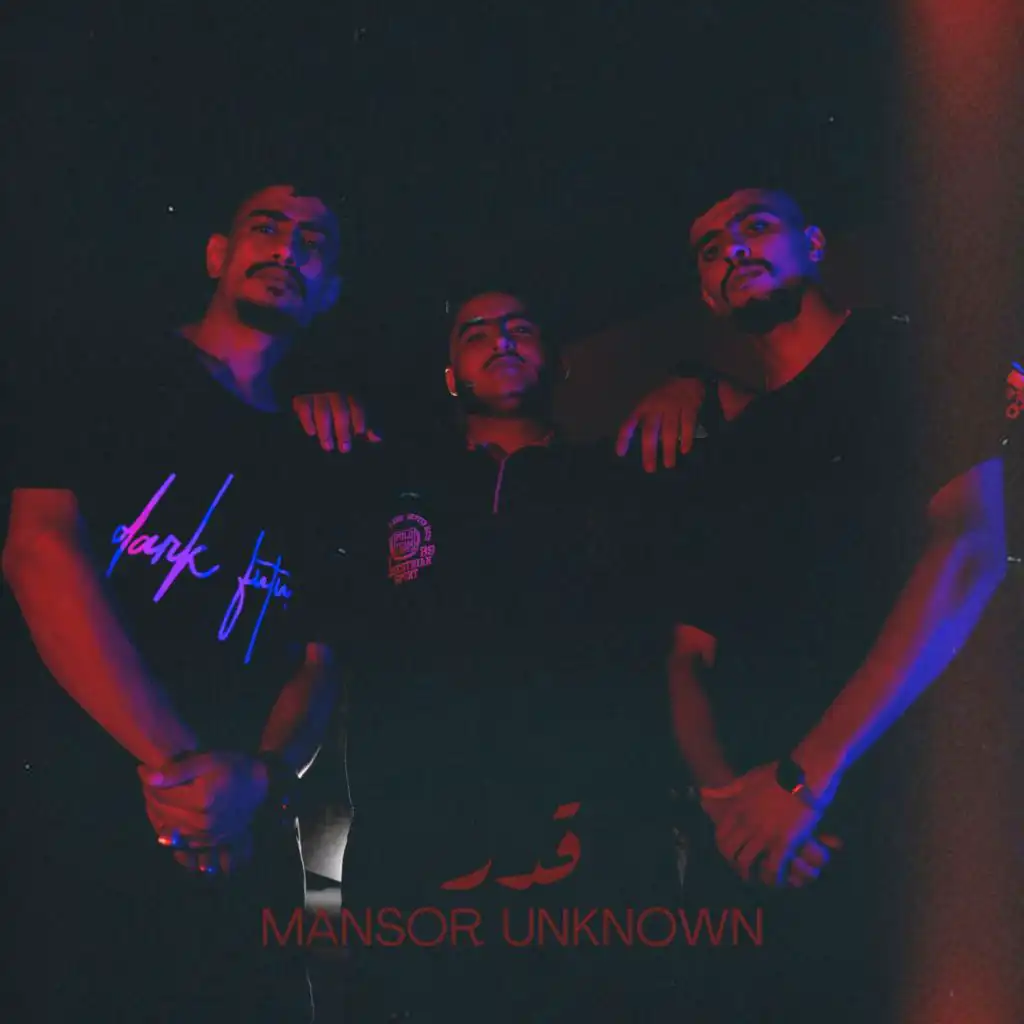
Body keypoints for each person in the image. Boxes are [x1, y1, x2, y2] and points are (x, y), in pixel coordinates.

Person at [3, 181, 350, 1023]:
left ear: (331, 292)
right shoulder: (107, 373)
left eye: (312, 243)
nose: (288, 248)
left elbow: (322, 656)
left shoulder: (321, 450)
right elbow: (38, 549)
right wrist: (185, 776)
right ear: (216, 255)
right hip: (73, 816)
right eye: (266, 227)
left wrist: (261, 780)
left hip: (241, 845)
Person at [660, 188, 1007, 1022]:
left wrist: (803, 780)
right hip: (757, 843)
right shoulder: (726, 450)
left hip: (899, 825)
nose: (733, 250)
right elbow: (688, 653)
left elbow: (970, 549)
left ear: (814, 243)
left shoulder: (908, 356)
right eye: (710, 248)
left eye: (755, 227)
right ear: (706, 292)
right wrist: (727, 805)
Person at [316, 290, 698, 1023]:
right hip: (420, 837)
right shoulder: (392, 484)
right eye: (475, 333)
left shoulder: (622, 477)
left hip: (592, 839)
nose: (501, 340)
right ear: (449, 376)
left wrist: (699, 381)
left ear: (558, 363)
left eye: (521, 328)